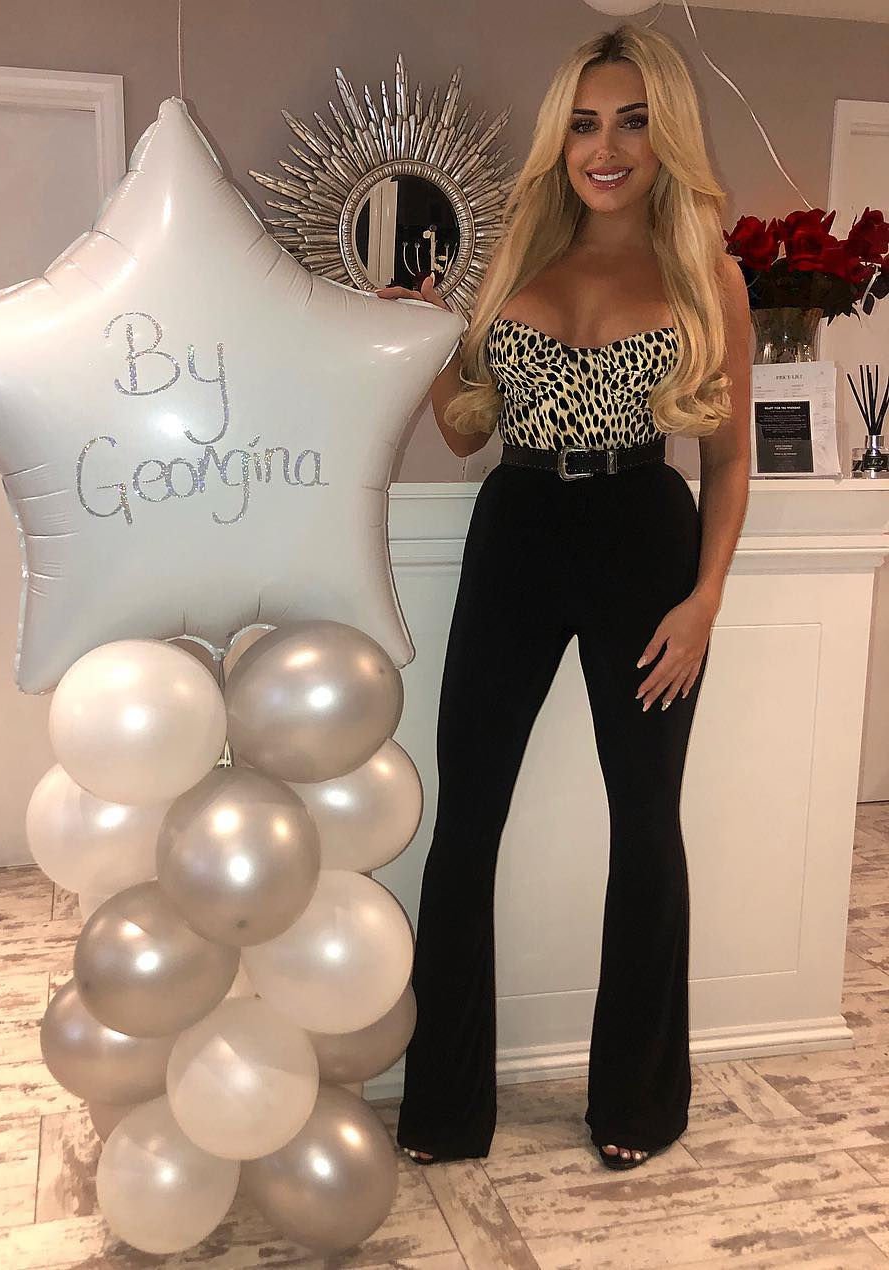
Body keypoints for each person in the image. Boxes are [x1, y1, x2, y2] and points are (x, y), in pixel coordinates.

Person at [375, 23, 751, 1171]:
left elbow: (731, 458)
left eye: (632, 121)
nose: (607, 146)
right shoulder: (514, 267)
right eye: (585, 124)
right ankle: (446, 1108)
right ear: (560, 140)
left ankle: (638, 1102)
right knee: (466, 821)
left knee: (646, 821)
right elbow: (465, 431)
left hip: (645, 535)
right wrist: (426, 340)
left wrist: (705, 600)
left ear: (665, 135)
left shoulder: (708, 276)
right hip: (520, 528)